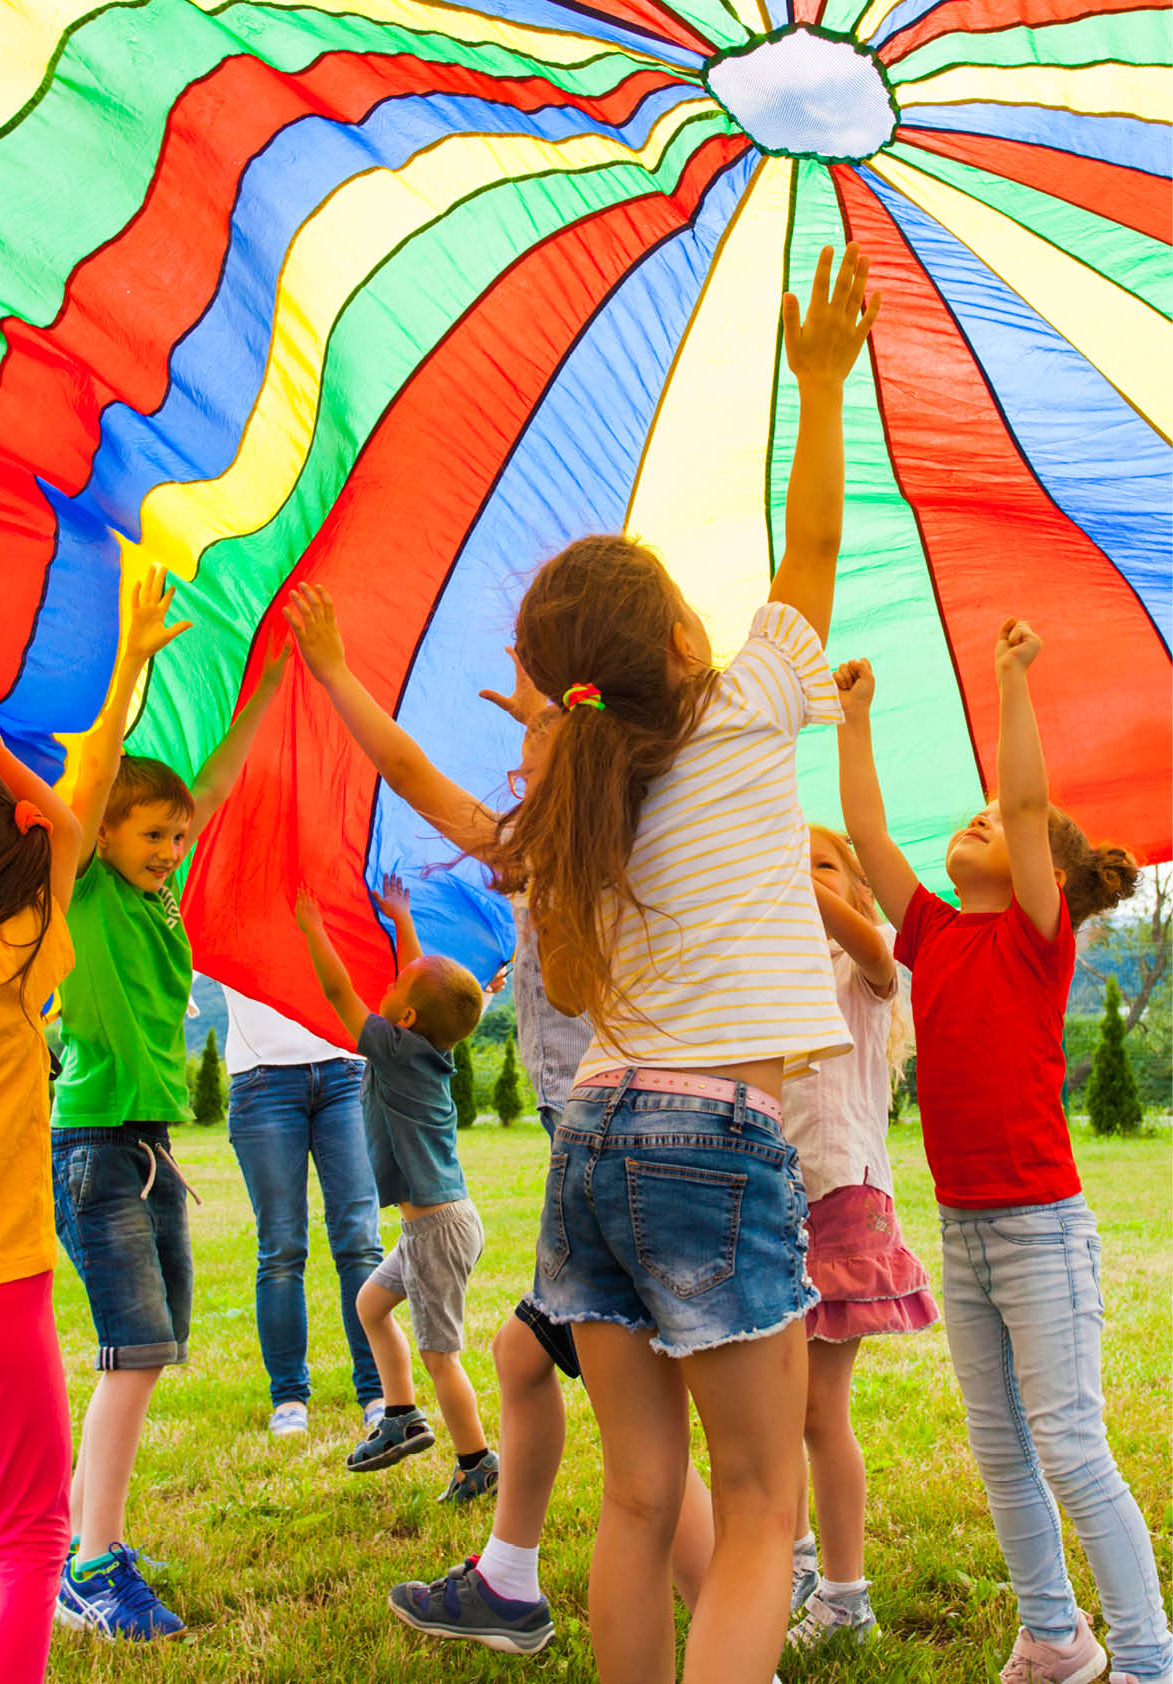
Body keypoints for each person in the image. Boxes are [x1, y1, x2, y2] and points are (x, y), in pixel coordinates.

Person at [477, 243, 879, 1684]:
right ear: (680, 638)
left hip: (593, 1133)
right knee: (761, 1504)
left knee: (641, 1500)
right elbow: (816, 547)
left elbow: (577, 998)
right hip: (714, 1141)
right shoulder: (755, 708)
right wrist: (820, 385)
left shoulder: (583, 788)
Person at [281, 608, 714, 1653]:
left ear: (571, 770)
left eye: (532, 746)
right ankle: (512, 1583)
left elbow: (409, 767)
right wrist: (551, 717)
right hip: (617, 1146)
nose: (514, 762)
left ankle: (731, 1612)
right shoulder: (625, 837)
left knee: (637, 1434)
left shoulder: (556, 851)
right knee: (525, 1357)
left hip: (605, 1147)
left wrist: (338, 672)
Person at [835, 619, 1173, 1684]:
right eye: (973, 818)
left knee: (1070, 1443)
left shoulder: (1036, 933)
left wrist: (1013, 680)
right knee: (1001, 1447)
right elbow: (869, 833)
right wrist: (854, 720)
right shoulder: (932, 931)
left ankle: (1152, 1659)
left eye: (997, 821)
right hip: (964, 1225)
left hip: (1036, 1228)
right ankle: (1054, 1637)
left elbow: (1028, 804)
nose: (982, 820)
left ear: (1046, 876)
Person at [52, 566, 287, 1641]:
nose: (167, 849)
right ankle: (89, 1564)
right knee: (132, 1355)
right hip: (96, 1147)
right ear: (103, 836)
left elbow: (219, 784)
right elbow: (96, 773)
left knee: (149, 1354)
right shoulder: (89, 887)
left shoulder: (157, 898)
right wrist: (133, 661)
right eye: (149, 833)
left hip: (146, 1149)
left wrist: (275, 679)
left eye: (175, 838)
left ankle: (94, 1544)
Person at [780, 825, 939, 1651]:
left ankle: (844, 1596)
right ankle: (796, 1562)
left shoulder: (867, 959)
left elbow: (871, 949)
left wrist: (777, 873)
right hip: (768, 1202)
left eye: (822, 863)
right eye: (790, 859)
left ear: (856, 889)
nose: (803, 874)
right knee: (770, 1407)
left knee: (815, 1409)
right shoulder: (763, 976)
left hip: (839, 1198)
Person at [294, 874, 497, 1502]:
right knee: (370, 1307)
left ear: (404, 1017)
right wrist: (400, 918)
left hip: (436, 1228)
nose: (383, 988)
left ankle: (477, 1462)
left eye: (392, 990)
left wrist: (313, 929)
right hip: (430, 1223)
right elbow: (416, 972)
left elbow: (337, 990)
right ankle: (401, 1418)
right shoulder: (426, 1046)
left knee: (442, 1354)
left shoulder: (391, 1047)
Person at [0, 716, 81, 1683]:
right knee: (26, 1538)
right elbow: (73, 830)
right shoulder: (16, 957)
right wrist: (0, 753)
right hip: (0, 1292)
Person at [222, 987, 384, 1437]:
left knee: (360, 1241)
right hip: (262, 1081)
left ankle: (377, 1393)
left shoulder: (333, 911)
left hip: (346, 1072)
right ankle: (289, 1398)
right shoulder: (231, 914)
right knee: (281, 1247)